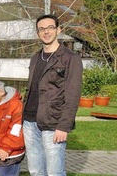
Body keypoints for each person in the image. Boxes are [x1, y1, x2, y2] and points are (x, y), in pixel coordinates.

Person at [23, 14, 82, 176]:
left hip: (53, 122)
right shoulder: (35, 57)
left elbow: (73, 95)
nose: (46, 32)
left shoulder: (71, 58)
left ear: (58, 30)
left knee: (54, 171)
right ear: (37, 33)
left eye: (50, 28)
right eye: (42, 29)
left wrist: (64, 126)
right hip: (29, 121)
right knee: (35, 170)